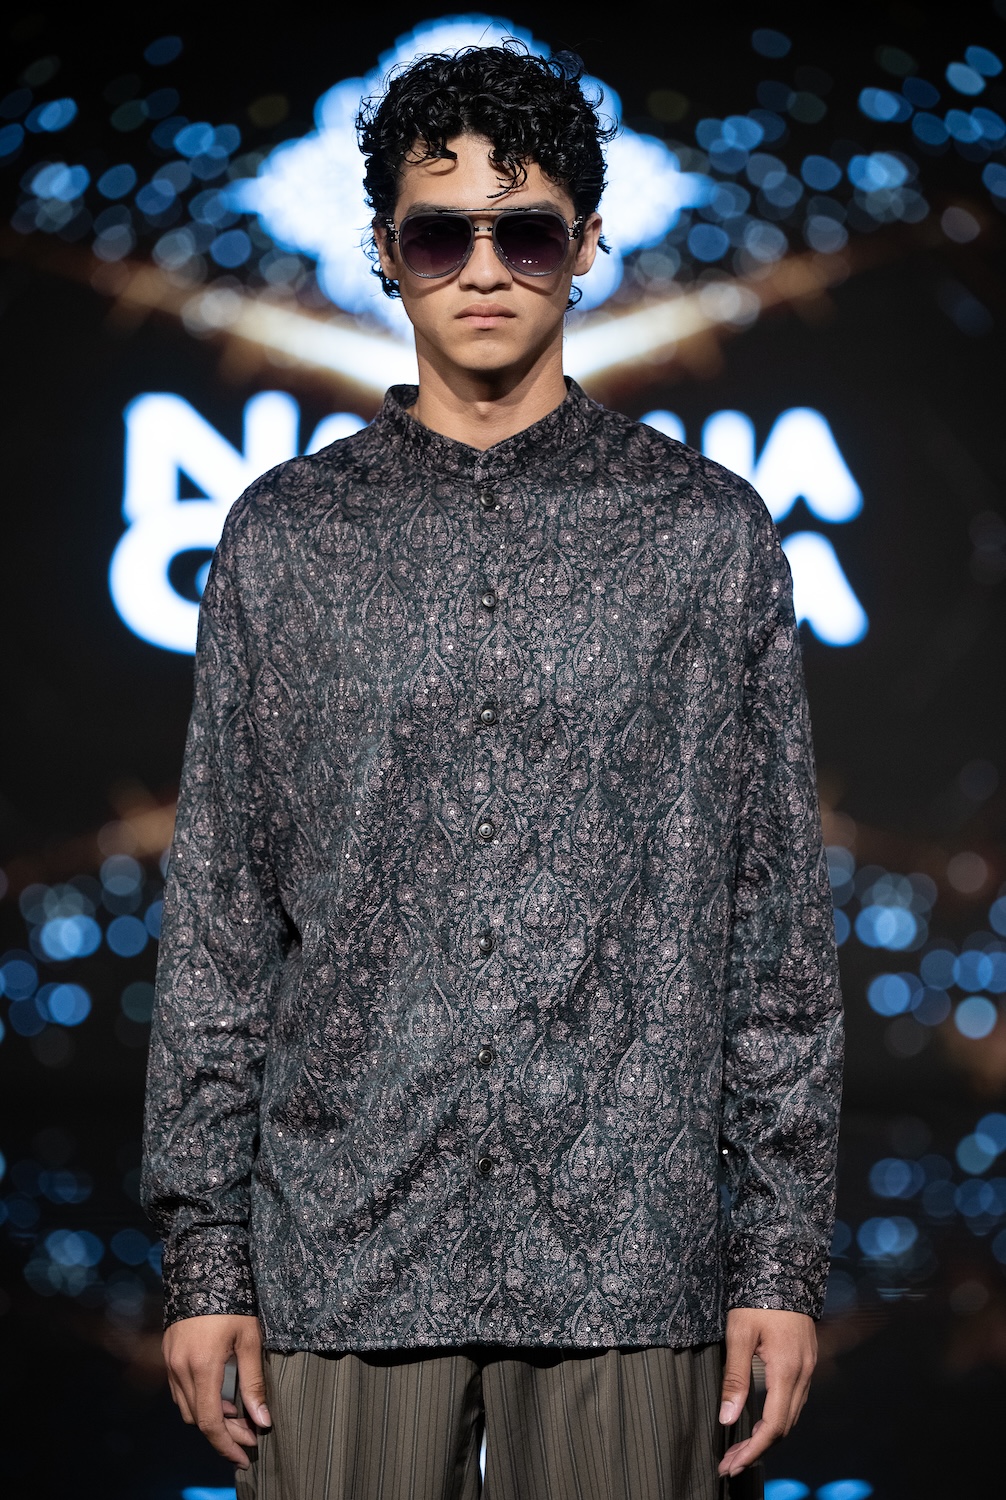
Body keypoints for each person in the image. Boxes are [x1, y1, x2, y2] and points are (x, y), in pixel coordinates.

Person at [141, 40, 844, 1500]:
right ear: (382, 255)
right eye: (436, 230)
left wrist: (776, 1255)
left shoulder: (704, 538)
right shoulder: (285, 541)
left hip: (623, 1247)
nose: (482, 266)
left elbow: (773, 929)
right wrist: (205, 1255)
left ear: (587, 248)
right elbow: (218, 921)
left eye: (523, 229)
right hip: (341, 1240)